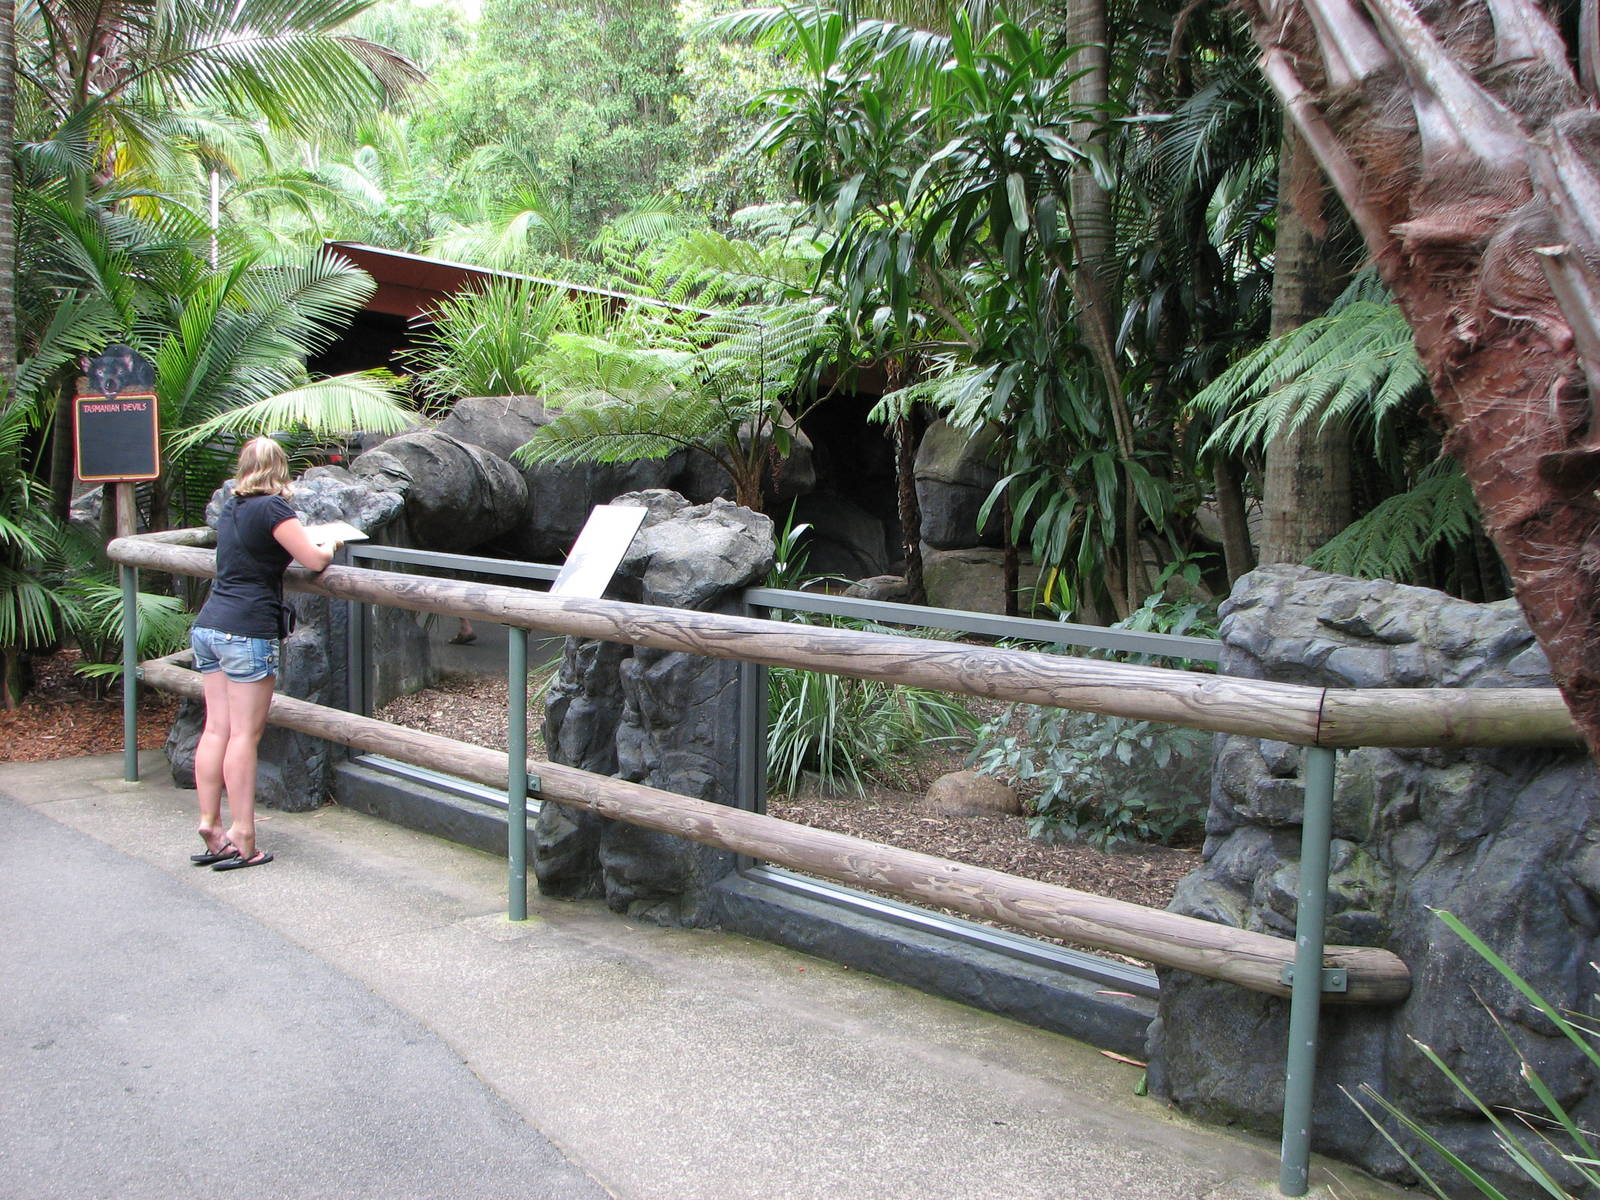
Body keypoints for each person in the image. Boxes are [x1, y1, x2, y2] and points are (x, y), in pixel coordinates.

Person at [188, 436, 340, 871]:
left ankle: (210, 823)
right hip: (247, 630)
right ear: (279, 467)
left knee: (215, 728)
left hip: (210, 624)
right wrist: (330, 546)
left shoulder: (232, 507)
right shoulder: (273, 507)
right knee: (244, 736)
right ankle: (244, 834)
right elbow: (311, 559)